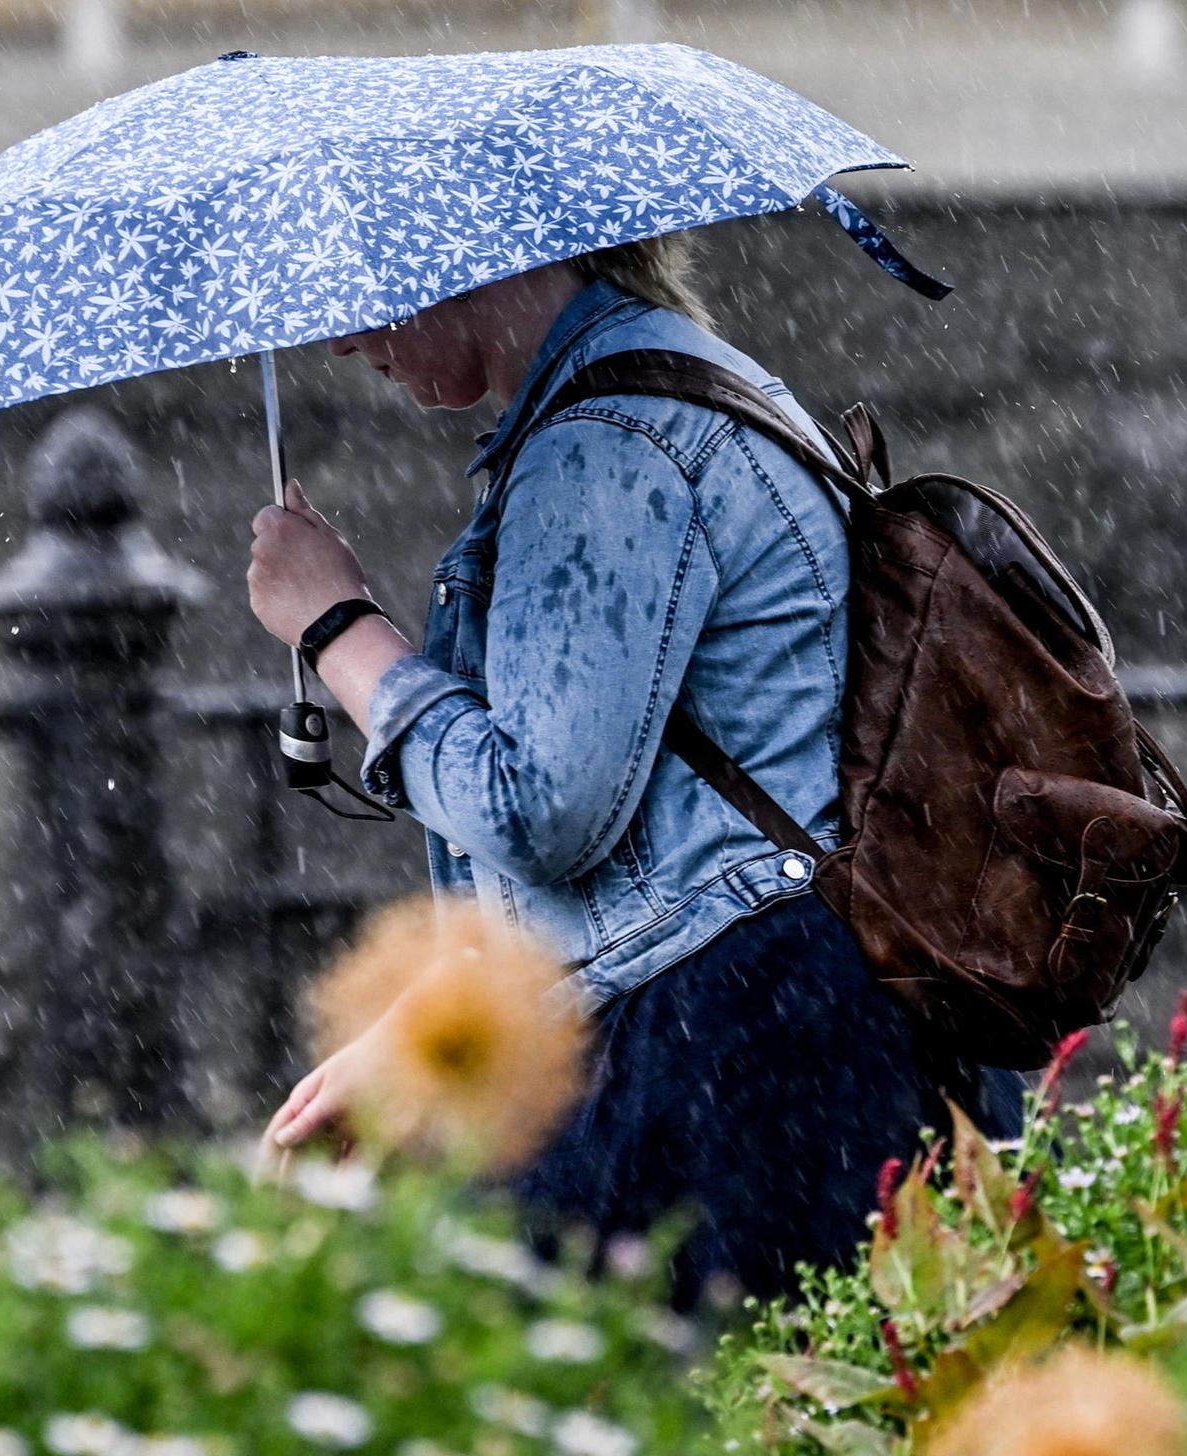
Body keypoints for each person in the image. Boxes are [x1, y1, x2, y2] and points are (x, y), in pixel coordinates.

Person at [245, 234, 1024, 1303]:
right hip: (805, 1011)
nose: (338, 338)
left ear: (479, 254)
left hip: (731, 1045)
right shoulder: (674, 385)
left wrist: (336, 625)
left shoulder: (607, 444)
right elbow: (661, 827)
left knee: (683, 1439)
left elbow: (543, 810)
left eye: (361, 284)